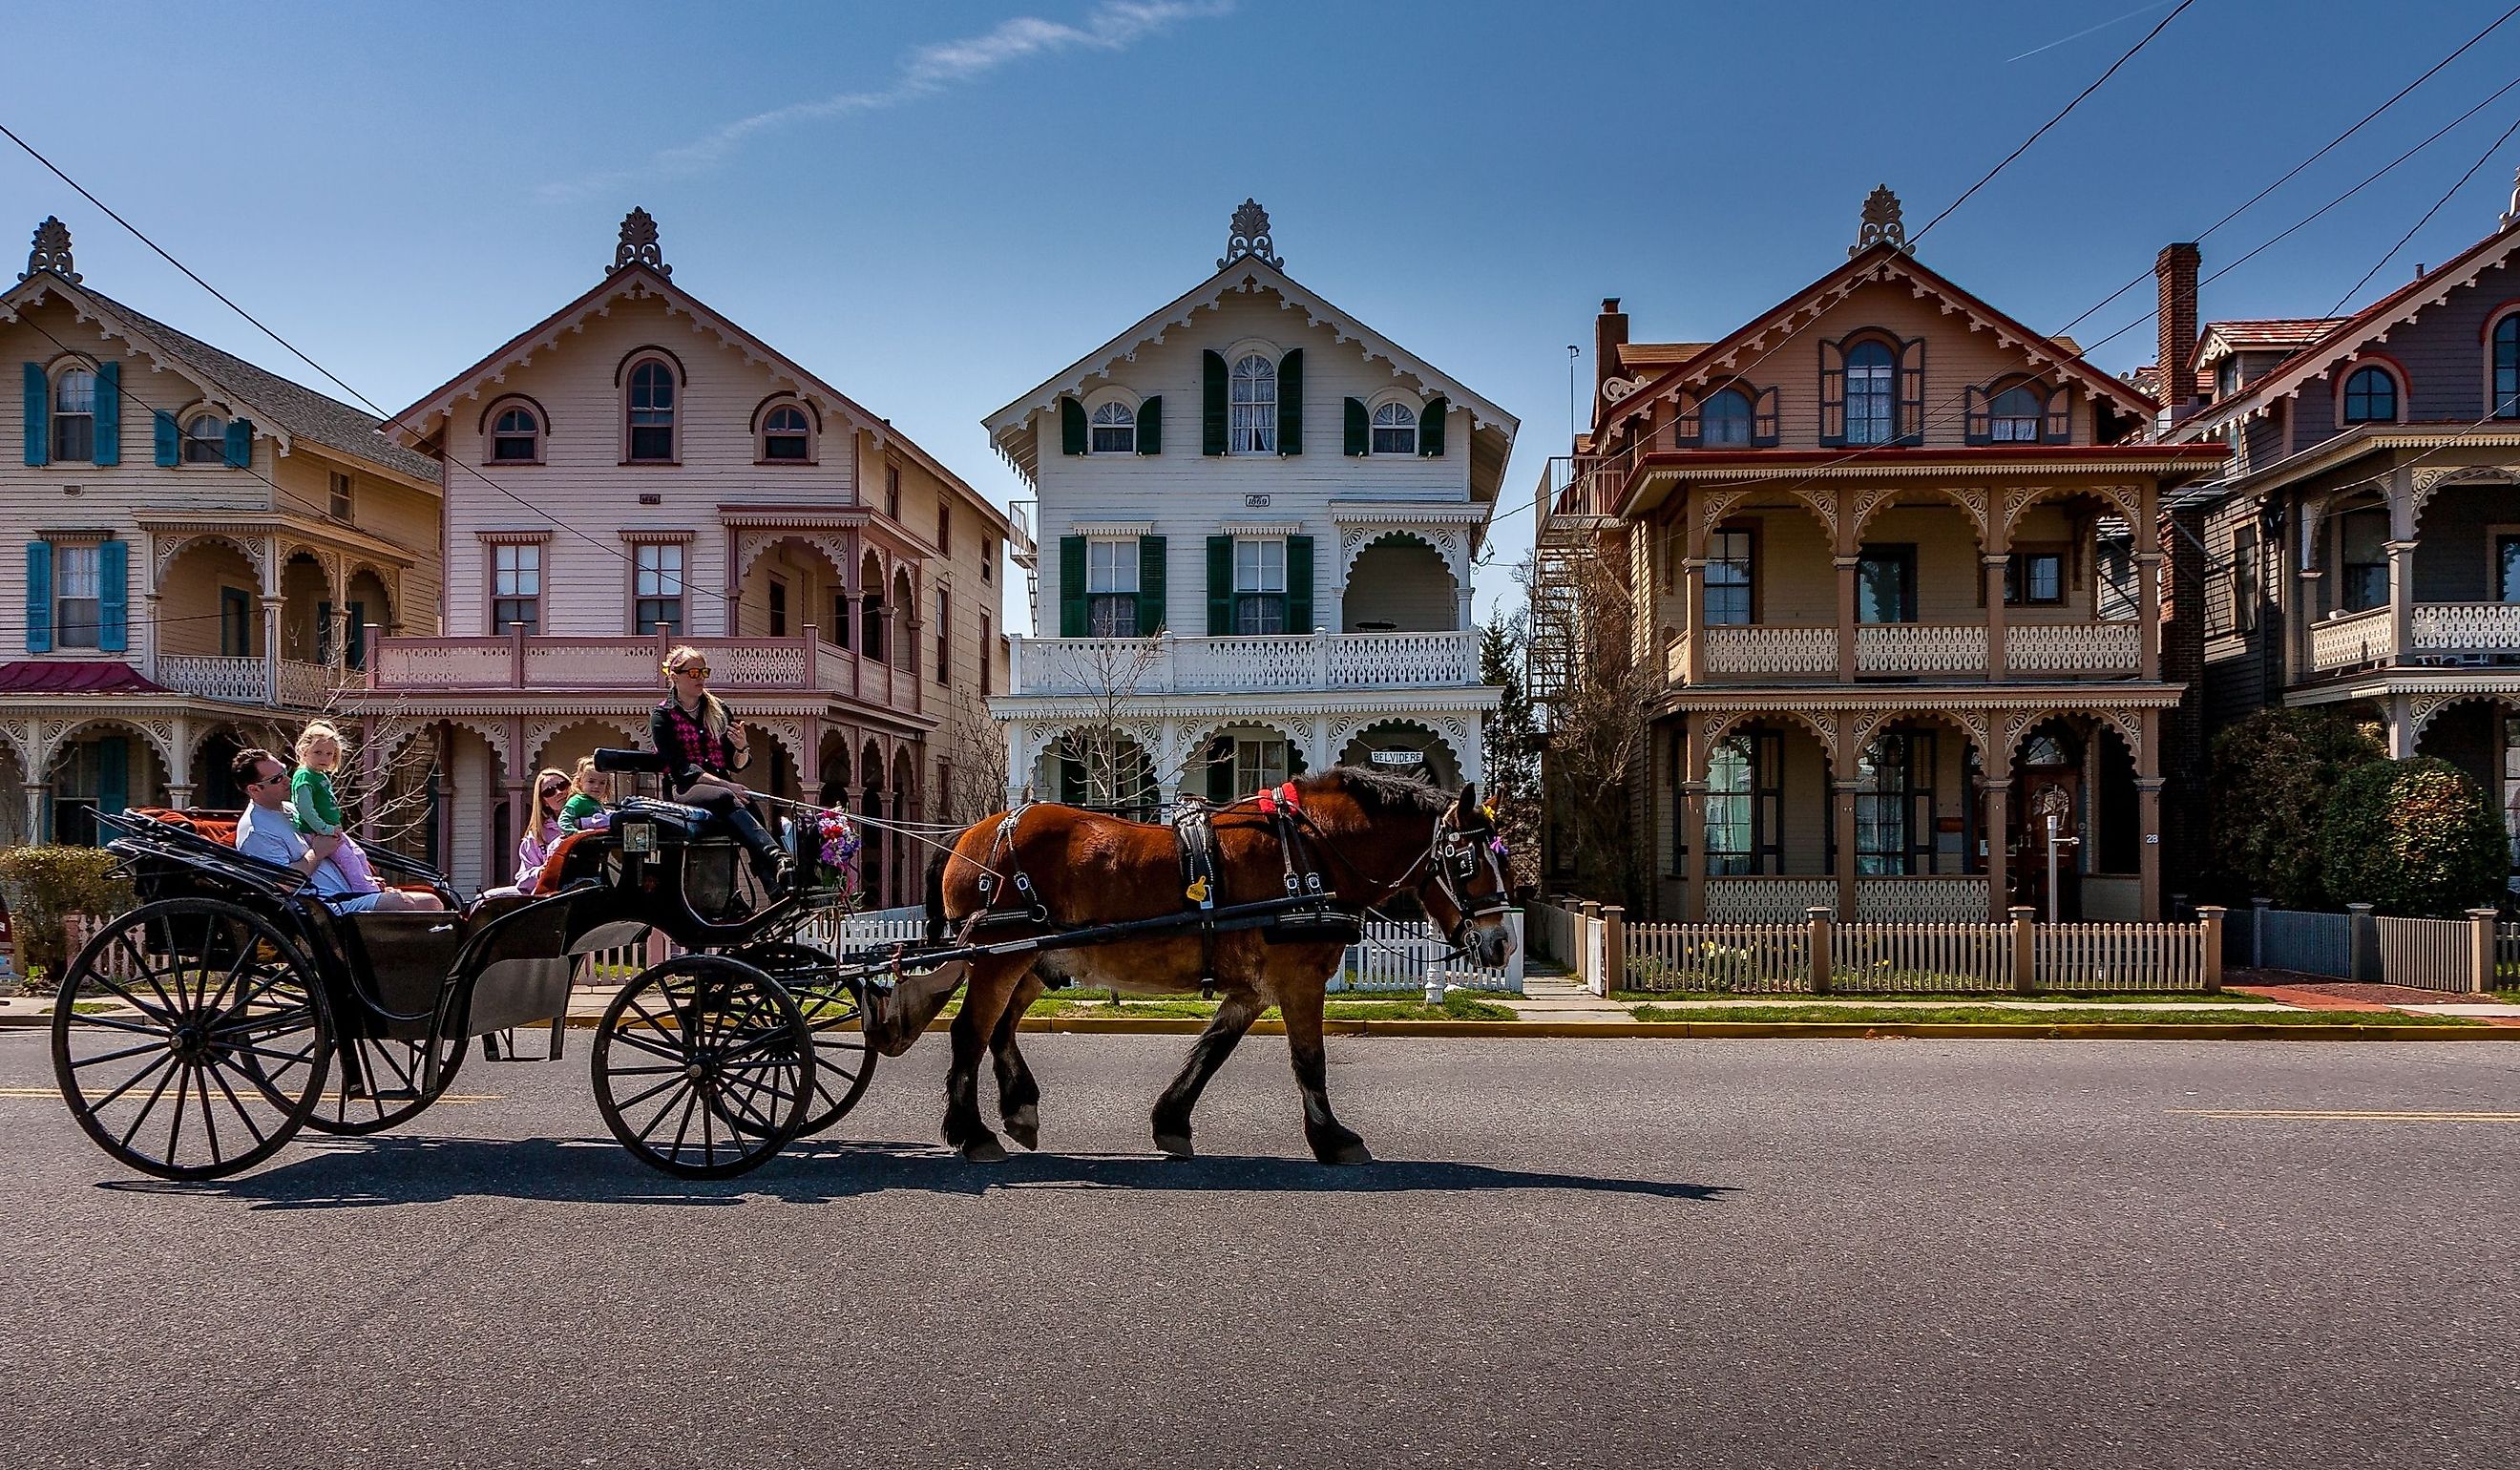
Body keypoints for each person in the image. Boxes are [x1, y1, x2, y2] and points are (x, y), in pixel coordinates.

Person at [230, 747, 442, 914]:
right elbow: (280, 887)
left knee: (433, 903)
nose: (288, 780)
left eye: (285, 771)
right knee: (402, 903)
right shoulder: (255, 831)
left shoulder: (294, 809)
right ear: (254, 789)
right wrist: (316, 852)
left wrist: (364, 879)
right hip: (322, 907)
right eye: (277, 779)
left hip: (348, 894)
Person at [651, 645, 790, 892]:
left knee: (746, 801)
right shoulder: (663, 715)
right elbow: (681, 768)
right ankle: (775, 855)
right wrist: (726, 784)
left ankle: (775, 884)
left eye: (703, 672)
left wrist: (741, 747)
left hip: (722, 782)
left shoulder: (719, 710)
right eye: (693, 673)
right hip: (684, 787)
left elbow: (733, 764)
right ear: (674, 675)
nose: (701, 678)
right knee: (727, 795)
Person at [289, 721, 379, 894]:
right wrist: (325, 829)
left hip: (332, 829)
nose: (324, 758)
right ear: (304, 751)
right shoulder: (304, 776)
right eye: (318, 752)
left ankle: (372, 885)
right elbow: (305, 808)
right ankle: (366, 893)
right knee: (348, 860)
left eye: (329, 754)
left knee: (359, 854)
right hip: (318, 831)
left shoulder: (319, 775)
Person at [557, 756, 611, 835]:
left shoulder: (596, 803)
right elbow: (563, 821)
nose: (597, 786)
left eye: (602, 783)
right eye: (591, 781)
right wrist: (575, 833)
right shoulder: (577, 801)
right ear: (580, 782)